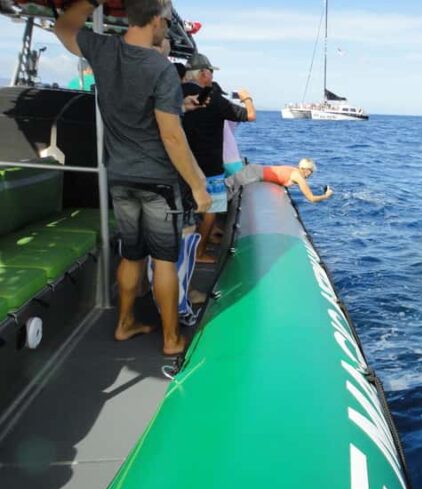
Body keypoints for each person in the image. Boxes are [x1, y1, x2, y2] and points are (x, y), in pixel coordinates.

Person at [55, 0, 211, 356]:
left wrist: (88, 2)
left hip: (120, 176)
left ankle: (125, 323)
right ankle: (171, 339)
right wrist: (199, 186)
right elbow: (171, 136)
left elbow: (63, 28)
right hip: (157, 181)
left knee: (132, 254)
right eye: (167, 21)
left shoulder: (102, 48)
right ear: (155, 20)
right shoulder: (160, 68)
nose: (167, 27)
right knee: (165, 260)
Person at [182, 52, 256, 263]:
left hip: (180, 165)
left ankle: (185, 251)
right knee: (211, 209)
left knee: (184, 209)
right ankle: (199, 253)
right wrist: (247, 98)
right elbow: (249, 115)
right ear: (203, 73)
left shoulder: (174, 93)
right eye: (211, 72)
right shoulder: (211, 98)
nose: (212, 76)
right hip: (208, 167)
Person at [225, 158, 334, 203]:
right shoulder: (298, 176)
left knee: (226, 190)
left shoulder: (294, 170)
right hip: (253, 173)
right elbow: (311, 198)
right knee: (225, 189)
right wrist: (326, 196)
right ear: (307, 170)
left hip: (254, 170)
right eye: (312, 171)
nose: (311, 174)